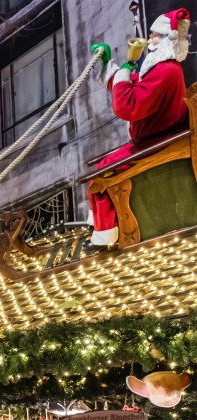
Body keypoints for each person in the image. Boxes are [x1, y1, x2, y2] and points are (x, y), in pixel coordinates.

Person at [88, 9, 191, 246]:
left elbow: (128, 104)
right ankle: (104, 227)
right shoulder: (164, 68)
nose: (151, 41)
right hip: (152, 142)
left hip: (157, 145)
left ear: (168, 39)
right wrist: (111, 66)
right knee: (102, 167)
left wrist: (128, 64)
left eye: (155, 36)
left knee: (100, 176)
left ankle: (106, 234)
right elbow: (136, 85)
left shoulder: (166, 71)